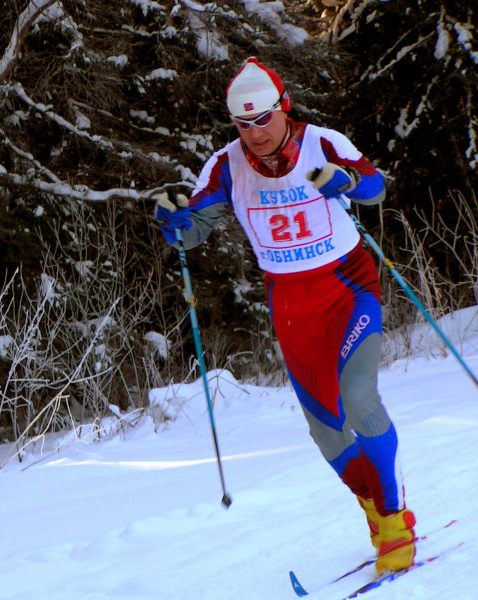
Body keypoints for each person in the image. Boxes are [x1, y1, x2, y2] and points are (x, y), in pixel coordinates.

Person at [155, 56, 416, 573]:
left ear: (283, 108)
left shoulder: (322, 142)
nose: (254, 132)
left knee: (359, 398)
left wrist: (346, 182)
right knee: (326, 431)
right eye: (243, 123)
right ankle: (370, 505)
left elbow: (376, 187)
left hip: (346, 286)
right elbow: (191, 230)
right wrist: (172, 216)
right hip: (290, 301)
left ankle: (395, 521)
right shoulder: (225, 165)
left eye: (263, 119)